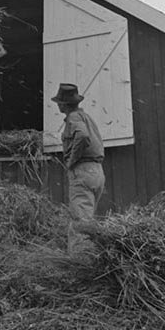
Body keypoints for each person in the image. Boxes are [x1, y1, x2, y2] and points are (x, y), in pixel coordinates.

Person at [52, 83, 106, 251]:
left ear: (63, 104)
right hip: (96, 171)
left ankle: (79, 262)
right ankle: (89, 256)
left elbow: (82, 136)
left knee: (80, 223)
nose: (58, 105)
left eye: (59, 102)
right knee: (87, 220)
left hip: (82, 170)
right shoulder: (87, 117)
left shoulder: (73, 117)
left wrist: (71, 160)